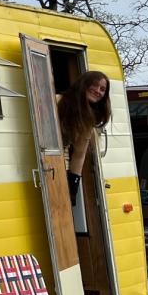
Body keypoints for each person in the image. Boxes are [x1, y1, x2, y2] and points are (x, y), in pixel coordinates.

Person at [56, 71, 111, 207]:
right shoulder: (57, 100)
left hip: (62, 165)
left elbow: (79, 154)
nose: (98, 91)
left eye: (102, 89)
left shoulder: (87, 117)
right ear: (83, 84)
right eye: (95, 85)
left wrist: (73, 184)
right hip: (47, 161)